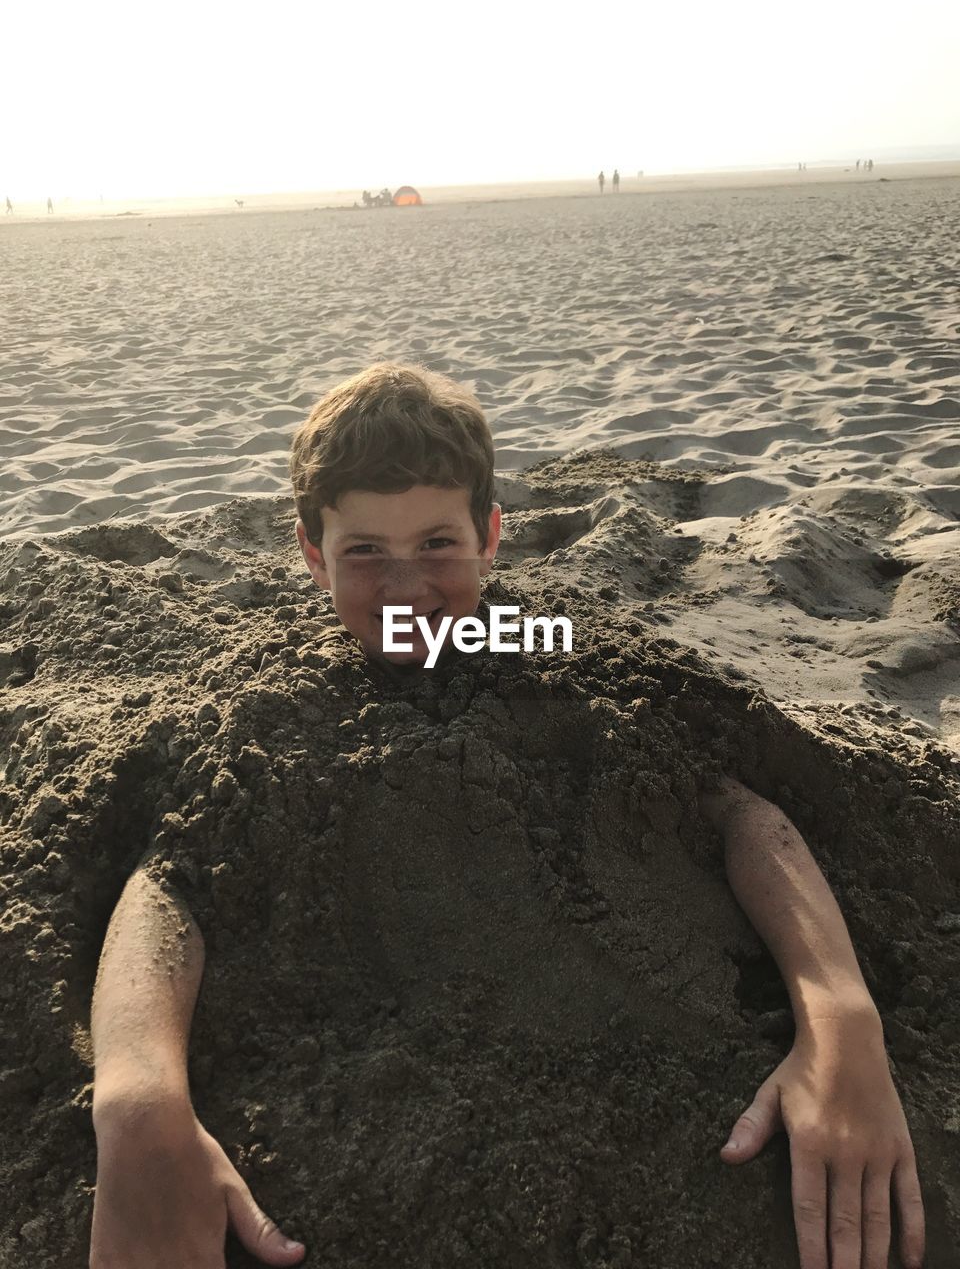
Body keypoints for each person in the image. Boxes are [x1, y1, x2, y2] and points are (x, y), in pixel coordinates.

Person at [88, 362, 926, 1269]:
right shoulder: (263, 715)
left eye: (438, 544)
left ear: (491, 536)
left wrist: (842, 1016)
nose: (406, 588)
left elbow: (734, 805)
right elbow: (167, 882)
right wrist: (139, 1101)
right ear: (309, 552)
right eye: (364, 551)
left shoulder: (537, 642)